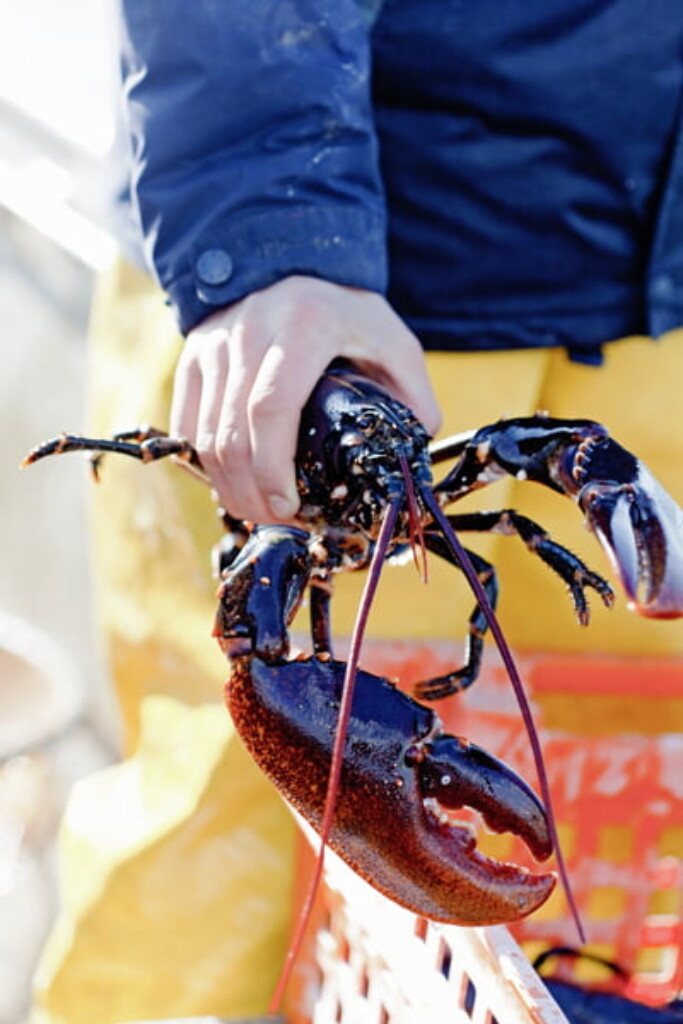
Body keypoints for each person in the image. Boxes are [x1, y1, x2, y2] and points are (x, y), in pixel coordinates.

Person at [33, 3, 683, 1022]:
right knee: (221, 846)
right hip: (322, 308)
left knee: (630, 776)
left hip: (653, 314)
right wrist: (263, 231)